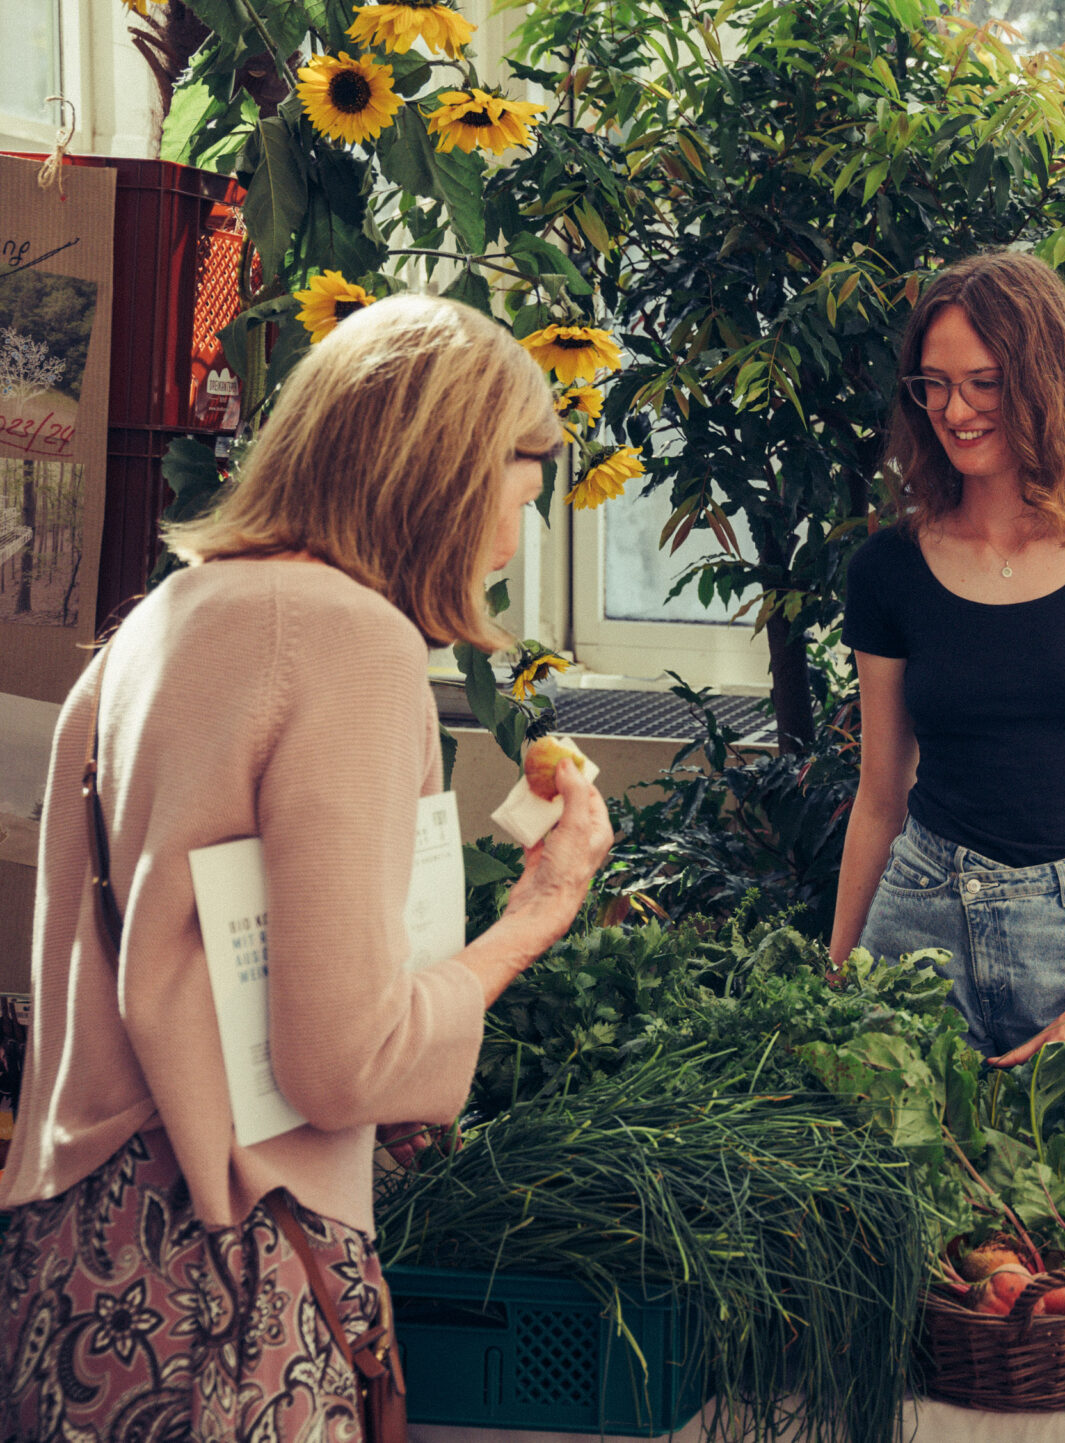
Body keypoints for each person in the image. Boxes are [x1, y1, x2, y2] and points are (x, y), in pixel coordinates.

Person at [0, 297, 615, 1438]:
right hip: (218, 1282)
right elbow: (340, 1062)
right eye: (521, 494)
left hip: (70, 1265)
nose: (513, 536)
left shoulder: (166, 616)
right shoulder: (349, 641)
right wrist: (539, 907)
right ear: (450, 470)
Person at [828, 251, 1065, 1232]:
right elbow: (879, 796)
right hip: (917, 932)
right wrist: (836, 981)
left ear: (1044, 381)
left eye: (984, 382)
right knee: (918, 1272)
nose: (955, 410)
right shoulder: (889, 569)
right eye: (935, 385)